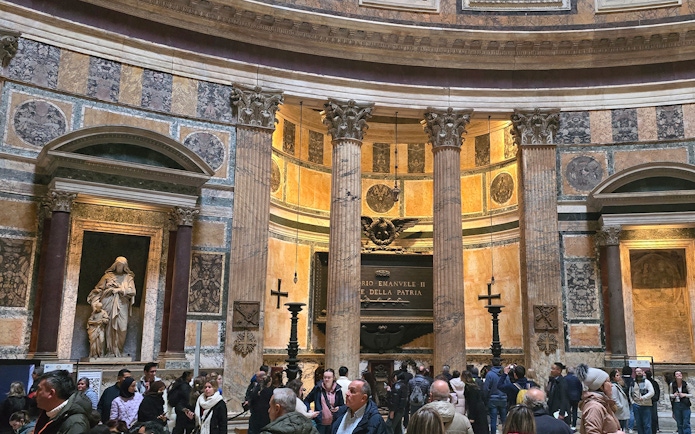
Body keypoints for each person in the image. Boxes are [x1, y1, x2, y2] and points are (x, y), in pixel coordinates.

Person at [87, 256, 137, 357]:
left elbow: (132, 291)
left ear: (125, 266)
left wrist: (119, 290)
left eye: (122, 265)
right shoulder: (107, 276)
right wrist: (97, 301)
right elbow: (98, 290)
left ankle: (117, 350)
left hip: (122, 304)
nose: (120, 267)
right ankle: (107, 351)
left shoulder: (128, 277)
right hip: (107, 302)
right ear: (115, 265)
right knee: (107, 326)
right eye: (118, 265)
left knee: (122, 328)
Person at [34, 370, 91, 434]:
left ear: (51, 393)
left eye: (39, 389)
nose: (35, 394)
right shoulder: (48, 414)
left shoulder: (75, 424)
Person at [575, 364, 622, 434]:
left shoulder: (602, 403)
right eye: (608, 381)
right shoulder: (594, 407)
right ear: (600, 386)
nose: (611, 385)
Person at [305, 369, 343, 434]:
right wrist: (309, 410)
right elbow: (307, 400)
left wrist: (339, 408)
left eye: (329, 378)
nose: (326, 379)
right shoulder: (317, 388)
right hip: (320, 422)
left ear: (333, 378)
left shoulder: (338, 390)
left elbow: (342, 405)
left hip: (333, 422)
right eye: (325, 377)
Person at [484, 357, 508, 434]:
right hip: (503, 398)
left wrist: (486, 397)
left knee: (493, 419)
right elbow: (508, 385)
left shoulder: (490, 374)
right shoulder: (504, 374)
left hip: (493, 398)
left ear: (492, 364)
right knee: (504, 419)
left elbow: (486, 388)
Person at [630, 368, 654, 434]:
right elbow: (630, 393)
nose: (639, 372)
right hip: (636, 405)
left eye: (640, 371)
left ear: (642, 372)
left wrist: (643, 397)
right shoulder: (633, 382)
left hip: (646, 405)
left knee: (647, 425)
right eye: (637, 371)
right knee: (639, 424)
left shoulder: (647, 382)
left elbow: (652, 392)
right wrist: (633, 402)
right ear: (635, 373)